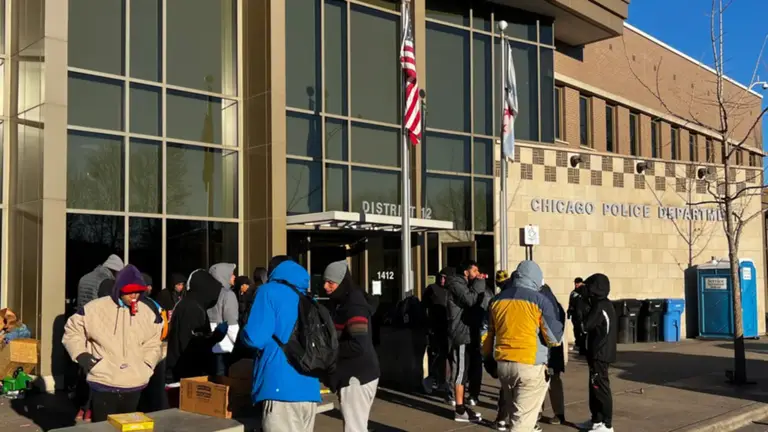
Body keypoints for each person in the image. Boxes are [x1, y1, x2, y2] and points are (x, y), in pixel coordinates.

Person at [62, 265, 163, 423]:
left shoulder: (147, 312)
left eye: (138, 291)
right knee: (103, 427)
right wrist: (81, 354)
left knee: (128, 427)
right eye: (129, 292)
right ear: (119, 289)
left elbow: (154, 342)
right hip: (104, 381)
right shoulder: (94, 309)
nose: (134, 296)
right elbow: (73, 330)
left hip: (135, 382)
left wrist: (148, 363)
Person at [241, 256, 321, 432]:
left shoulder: (268, 291)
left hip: (280, 387)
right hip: (309, 388)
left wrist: (243, 333)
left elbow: (255, 338)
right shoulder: (308, 297)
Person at [483, 261, 563, 432]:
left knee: (516, 416)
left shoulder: (496, 300)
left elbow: (485, 334)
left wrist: (487, 358)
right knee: (522, 424)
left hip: (503, 364)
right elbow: (554, 339)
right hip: (529, 365)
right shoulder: (540, 301)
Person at [323, 261, 380, 432]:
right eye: (325, 281)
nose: (325, 286)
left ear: (342, 282)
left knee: (354, 428)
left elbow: (358, 344)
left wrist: (330, 351)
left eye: (331, 282)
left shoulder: (354, 306)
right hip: (355, 375)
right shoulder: (342, 302)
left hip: (357, 377)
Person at [165, 270, 229, 381]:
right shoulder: (192, 308)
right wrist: (215, 337)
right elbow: (191, 344)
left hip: (184, 369)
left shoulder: (191, 304)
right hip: (185, 372)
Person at [577, 274, 618, 432]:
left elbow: (585, 325)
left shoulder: (600, 305)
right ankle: (597, 419)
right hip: (597, 351)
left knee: (600, 387)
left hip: (600, 353)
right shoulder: (603, 304)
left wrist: (581, 306)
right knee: (594, 387)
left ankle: (607, 424)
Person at [445, 261, 482, 422]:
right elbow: (470, 300)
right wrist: (479, 285)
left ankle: (462, 406)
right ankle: (459, 409)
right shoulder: (456, 284)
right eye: (475, 271)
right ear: (466, 272)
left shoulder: (465, 285)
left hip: (468, 333)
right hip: (460, 333)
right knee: (460, 371)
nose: (478, 274)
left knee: (465, 370)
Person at [421, 267, 454, 399]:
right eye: (440, 277)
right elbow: (423, 307)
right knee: (438, 355)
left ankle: (447, 383)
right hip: (436, 327)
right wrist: (427, 325)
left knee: (450, 357)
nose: (442, 280)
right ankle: (436, 379)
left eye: (445, 278)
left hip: (450, 328)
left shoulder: (452, 290)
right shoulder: (432, 289)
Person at [539, 283, 568, 425]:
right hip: (555, 349)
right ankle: (558, 413)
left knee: (542, 381)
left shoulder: (542, 303)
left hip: (547, 349)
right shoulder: (557, 305)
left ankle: (538, 412)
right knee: (553, 380)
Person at [208, 263, 240, 377]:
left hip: (208, 348)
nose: (234, 276)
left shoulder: (207, 294)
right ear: (224, 275)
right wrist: (239, 346)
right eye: (231, 274)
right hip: (224, 348)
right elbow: (232, 325)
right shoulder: (228, 295)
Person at [568, 277, 588, 355]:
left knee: (583, 331)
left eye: (578, 283)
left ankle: (583, 347)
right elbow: (570, 303)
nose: (576, 284)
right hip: (575, 315)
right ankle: (579, 344)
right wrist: (569, 311)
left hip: (583, 315)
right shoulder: (573, 293)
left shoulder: (585, 292)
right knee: (577, 330)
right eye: (575, 283)